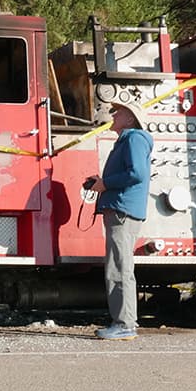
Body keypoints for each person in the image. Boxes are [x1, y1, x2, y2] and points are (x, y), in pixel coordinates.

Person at [85, 101, 153, 341]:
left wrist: (106, 183)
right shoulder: (131, 139)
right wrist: (103, 181)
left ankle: (124, 324)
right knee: (121, 266)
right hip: (123, 209)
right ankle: (124, 322)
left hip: (122, 210)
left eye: (120, 112)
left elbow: (137, 173)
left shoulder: (134, 138)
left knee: (119, 267)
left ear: (131, 119)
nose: (114, 114)